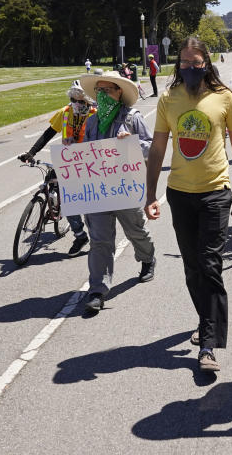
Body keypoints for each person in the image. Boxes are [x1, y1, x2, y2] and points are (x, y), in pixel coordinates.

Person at [144, 36, 232, 373]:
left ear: (207, 64)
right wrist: (149, 194)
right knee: (192, 268)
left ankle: (209, 344)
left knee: (210, 264)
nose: (190, 68)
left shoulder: (224, 97)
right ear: (178, 65)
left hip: (216, 191)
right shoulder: (168, 98)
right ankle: (206, 319)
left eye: (196, 62)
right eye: (184, 63)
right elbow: (158, 148)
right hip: (180, 193)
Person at [78, 71, 157, 313]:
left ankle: (147, 258)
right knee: (100, 240)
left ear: (119, 92)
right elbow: (85, 154)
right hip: (99, 191)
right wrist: (74, 150)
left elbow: (152, 148)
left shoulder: (132, 118)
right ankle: (98, 290)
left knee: (136, 231)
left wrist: (132, 142)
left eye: (108, 90)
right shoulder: (91, 122)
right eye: (99, 91)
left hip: (126, 189)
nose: (103, 95)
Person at [19, 81, 95, 255]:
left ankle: (97, 236)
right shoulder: (65, 112)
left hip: (89, 163)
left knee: (88, 203)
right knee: (54, 187)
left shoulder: (94, 115)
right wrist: (31, 152)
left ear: (88, 101)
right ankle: (79, 234)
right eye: (73, 99)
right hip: (66, 160)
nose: (77, 104)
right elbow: (48, 134)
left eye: (81, 101)